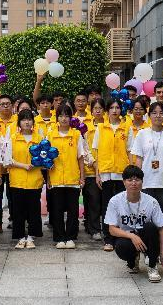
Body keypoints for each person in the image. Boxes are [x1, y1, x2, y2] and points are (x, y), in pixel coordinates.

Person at [104, 165, 163, 283]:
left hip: (145, 236)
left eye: (137, 180)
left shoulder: (151, 202)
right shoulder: (115, 201)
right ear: (124, 182)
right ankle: (133, 261)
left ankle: (152, 266)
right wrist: (132, 236)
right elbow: (112, 229)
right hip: (127, 237)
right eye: (130, 180)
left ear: (142, 182)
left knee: (150, 227)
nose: (134, 183)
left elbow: (161, 228)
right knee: (122, 246)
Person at [93, 98, 131, 252]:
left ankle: (121, 237)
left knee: (123, 206)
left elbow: (130, 150)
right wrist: (97, 174)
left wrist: (130, 173)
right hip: (106, 172)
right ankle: (108, 239)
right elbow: (96, 152)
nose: (115, 110)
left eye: (117, 107)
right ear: (107, 111)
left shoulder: (126, 128)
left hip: (122, 172)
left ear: (121, 110)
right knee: (107, 206)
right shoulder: (101, 128)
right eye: (112, 108)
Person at [46, 104, 86, 249]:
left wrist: (82, 177)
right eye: (61, 116)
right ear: (57, 118)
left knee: (72, 210)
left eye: (67, 116)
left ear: (71, 118)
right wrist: (48, 178)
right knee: (56, 210)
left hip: (72, 178)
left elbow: (80, 157)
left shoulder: (76, 135)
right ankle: (59, 237)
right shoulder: (50, 135)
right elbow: (47, 159)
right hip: (56, 178)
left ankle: (70, 237)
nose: (64, 119)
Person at [131, 102, 163, 220]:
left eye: (161, 113)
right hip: (147, 181)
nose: (158, 116)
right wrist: (137, 179)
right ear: (149, 115)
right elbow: (139, 159)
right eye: (154, 113)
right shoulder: (142, 134)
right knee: (146, 216)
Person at [82, 98, 104, 240]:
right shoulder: (85, 127)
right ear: (91, 110)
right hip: (90, 170)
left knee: (103, 201)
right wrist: (93, 162)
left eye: (100, 108)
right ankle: (94, 229)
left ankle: (101, 227)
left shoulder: (107, 126)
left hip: (106, 169)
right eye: (95, 108)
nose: (98, 111)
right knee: (92, 201)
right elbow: (84, 148)